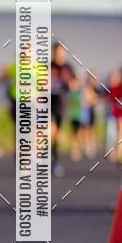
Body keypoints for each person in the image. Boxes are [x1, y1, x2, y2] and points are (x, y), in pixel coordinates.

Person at [50, 42, 74, 177]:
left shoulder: (68, 67)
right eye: (58, 51)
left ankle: (55, 160)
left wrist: (72, 84)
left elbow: (74, 84)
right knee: (50, 129)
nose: (60, 54)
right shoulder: (48, 66)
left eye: (62, 51)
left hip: (62, 104)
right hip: (48, 104)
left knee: (57, 135)